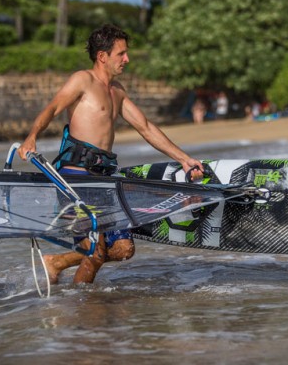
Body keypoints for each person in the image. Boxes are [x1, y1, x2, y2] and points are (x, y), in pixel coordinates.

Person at [18, 24, 203, 284]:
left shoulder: (117, 92)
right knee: (94, 252)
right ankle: (85, 312)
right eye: (121, 54)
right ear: (102, 56)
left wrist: (184, 158)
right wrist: (32, 136)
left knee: (123, 250)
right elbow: (52, 108)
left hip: (105, 181)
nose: (127, 59)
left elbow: (146, 127)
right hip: (75, 179)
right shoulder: (82, 80)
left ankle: (56, 263)